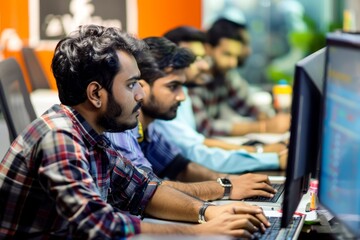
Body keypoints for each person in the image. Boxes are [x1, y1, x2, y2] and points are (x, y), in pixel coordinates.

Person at [0, 25, 270, 239]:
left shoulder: (94, 134)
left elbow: (143, 189)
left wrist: (208, 213)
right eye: (131, 85)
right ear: (96, 94)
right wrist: (201, 232)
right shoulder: (59, 137)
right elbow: (100, 226)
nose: (141, 94)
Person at [106, 36, 279, 202]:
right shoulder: (122, 129)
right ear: (141, 87)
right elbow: (148, 190)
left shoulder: (147, 128)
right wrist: (225, 187)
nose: (182, 96)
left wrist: (230, 180)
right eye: (173, 87)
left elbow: (180, 167)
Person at [153, 26, 287, 173]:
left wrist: (262, 147)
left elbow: (198, 143)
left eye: (203, 58)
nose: (204, 65)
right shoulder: (174, 96)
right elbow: (198, 150)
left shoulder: (183, 90)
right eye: (194, 58)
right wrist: (264, 152)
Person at [189, 17, 291, 137]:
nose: (233, 63)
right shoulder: (194, 78)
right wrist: (264, 127)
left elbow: (248, 106)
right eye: (227, 54)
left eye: (236, 56)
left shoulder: (225, 74)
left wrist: (270, 118)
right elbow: (206, 128)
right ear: (208, 48)